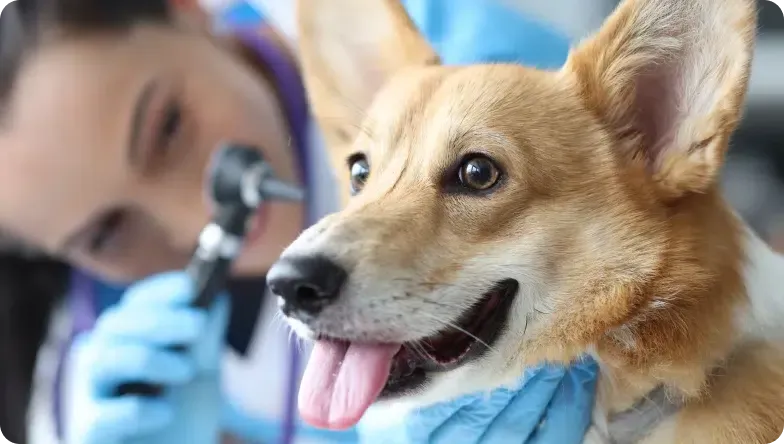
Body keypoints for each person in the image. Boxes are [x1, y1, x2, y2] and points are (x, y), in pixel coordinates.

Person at [0, 0, 598, 443]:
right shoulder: (102, 358)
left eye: (168, 130)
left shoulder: (486, 82)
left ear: (188, 10)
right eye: (106, 232)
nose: (197, 218)